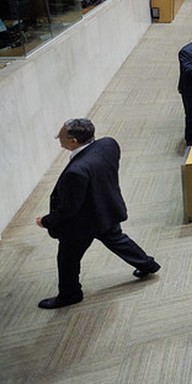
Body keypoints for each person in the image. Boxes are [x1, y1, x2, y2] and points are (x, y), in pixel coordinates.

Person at [35, 119, 161, 309]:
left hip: (82, 223)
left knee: (67, 259)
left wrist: (46, 221)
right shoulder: (108, 145)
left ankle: (70, 294)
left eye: (60, 137)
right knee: (118, 240)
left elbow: (69, 208)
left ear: (74, 141)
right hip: (106, 209)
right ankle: (147, 264)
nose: (58, 139)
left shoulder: (76, 172)